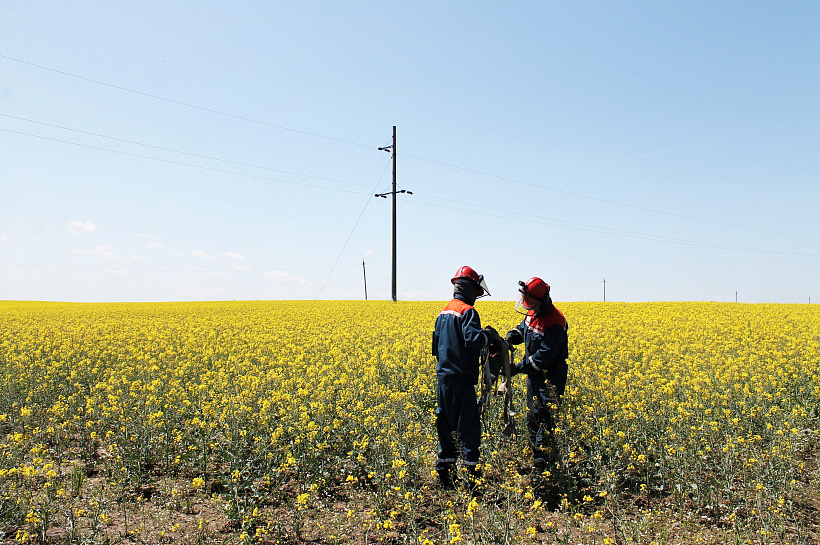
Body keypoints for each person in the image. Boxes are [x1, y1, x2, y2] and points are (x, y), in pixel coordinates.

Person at [432, 266, 501, 489]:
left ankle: (445, 476)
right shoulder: (468, 312)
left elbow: (436, 347)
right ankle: (472, 480)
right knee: (468, 427)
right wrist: (489, 335)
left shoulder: (443, 312)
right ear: (470, 288)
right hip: (461, 379)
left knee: (446, 424)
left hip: (444, 379)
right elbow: (473, 340)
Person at [505, 277, 569, 475]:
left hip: (549, 379)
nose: (528, 307)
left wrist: (516, 368)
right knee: (532, 419)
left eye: (530, 303)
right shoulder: (533, 311)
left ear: (542, 301)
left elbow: (542, 358)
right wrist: (511, 337)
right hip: (534, 378)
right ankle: (537, 462)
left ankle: (543, 469)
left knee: (545, 421)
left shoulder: (555, 321)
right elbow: (523, 329)